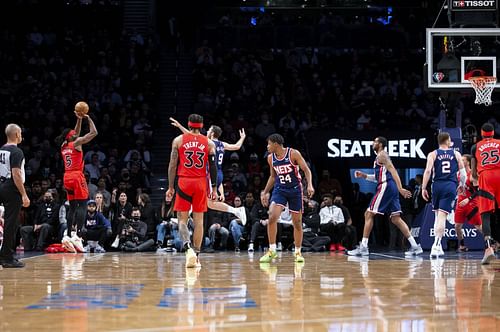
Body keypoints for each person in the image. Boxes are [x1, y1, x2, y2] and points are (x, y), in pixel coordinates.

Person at [348, 136, 422, 257]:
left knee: (368, 214)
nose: (373, 143)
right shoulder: (379, 157)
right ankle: (415, 246)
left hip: (386, 187)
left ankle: (363, 247)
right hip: (389, 186)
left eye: (375, 142)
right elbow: (378, 177)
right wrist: (364, 176)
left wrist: (400, 188)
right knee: (396, 219)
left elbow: (393, 171)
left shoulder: (382, 155)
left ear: (381, 144)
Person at [170, 118, 247, 224]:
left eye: (209, 130)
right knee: (200, 198)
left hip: (211, 174)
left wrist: (179, 126)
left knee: (209, 202)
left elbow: (190, 136)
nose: (206, 131)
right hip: (218, 173)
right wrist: (242, 138)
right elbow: (237, 146)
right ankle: (184, 218)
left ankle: (236, 211)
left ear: (212, 133)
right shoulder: (222, 144)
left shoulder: (208, 143)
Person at [166, 114, 218, 268]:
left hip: (184, 182)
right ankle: (196, 255)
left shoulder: (178, 140)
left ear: (188, 125)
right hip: (201, 183)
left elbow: (172, 165)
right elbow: (213, 168)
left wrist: (170, 187)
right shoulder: (209, 143)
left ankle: (188, 248)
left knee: (182, 219)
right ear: (202, 126)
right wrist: (214, 188)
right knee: (199, 221)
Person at [259, 133, 314, 264]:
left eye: (269, 144)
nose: (267, 146)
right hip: (280, 190)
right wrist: (265, 192)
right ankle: (272, 250)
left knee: (297, 223)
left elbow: (306, 170)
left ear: (276, 144)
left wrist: (310, 185)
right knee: (272, 216)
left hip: (295, 190)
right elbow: (273, 177)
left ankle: (298, 252)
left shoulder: (293, 153)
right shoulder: (270, 158)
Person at [56, 109, 98, 253]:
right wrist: (88, 118)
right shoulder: (77, 143)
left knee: (72, 206)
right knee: (83, 205)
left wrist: (79, 119)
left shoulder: (64, 145)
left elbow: (76, 132)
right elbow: (94, 133)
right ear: (72, 137)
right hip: (76, 176)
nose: (76, 134)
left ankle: (68, 234)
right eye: (75, 135)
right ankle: (79, 235)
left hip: (66, 176)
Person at [421, 132, 466, 258]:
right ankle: (436, 245)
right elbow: (462, 173)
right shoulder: (456, 154)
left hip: (436, 186)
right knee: (441, 217)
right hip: (449, 186)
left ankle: (438, 245)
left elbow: (428, 171)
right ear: (447, 141)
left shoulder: (433, 154)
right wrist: (462, 185)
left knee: (437, 216)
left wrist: (423, 187)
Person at [0, 124, 30, 268]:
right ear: (17, 134)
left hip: (1, 184)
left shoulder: (1, 150)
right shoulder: (17, 151)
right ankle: (7, 258)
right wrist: (24, 194)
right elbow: (16, 174)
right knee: (10, 224)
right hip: (11, 188)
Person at [471, 123, 500, 264]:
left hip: (486, 177)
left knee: (485, 214)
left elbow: (474, 173)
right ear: (493, 133)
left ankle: (488, 249)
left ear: (482, 134)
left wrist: (475, 178)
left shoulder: (475, 147)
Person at [454, 154, 483, 252]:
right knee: (457, 226)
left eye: (463, 160)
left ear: (468, 162)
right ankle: (462, 245)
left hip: (472, 204)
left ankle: (493, 241)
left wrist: (468, 199)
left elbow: (479, 191)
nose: (460, 161)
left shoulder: (472, 174)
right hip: (460, 203)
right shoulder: (458, 174)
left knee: (478, 227)